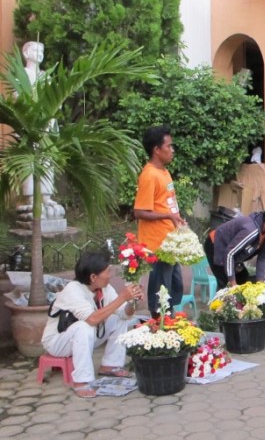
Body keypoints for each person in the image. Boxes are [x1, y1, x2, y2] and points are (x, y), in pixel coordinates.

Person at [41, 252, 143, 398]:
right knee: (84, 327)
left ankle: (110, 365)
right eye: (107, 271)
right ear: (93, 277)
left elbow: (124, 314)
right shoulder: (73, 290)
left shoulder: (105, 288)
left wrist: (133, 301)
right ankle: (81, 381)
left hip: (88, 335)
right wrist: (122, 297)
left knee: (119, 319)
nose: (110, 275)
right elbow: (92, 319)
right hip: (58, 342)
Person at [134, 125, 186, 317]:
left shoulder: (164, 172)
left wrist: (177, 220)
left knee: (174, 289)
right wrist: (168, 216)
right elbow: (139, 211)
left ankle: (169, 321)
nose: (172, 150)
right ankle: (159, 324)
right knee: (161, 294)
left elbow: (166, 204)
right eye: (168, 146)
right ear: (156, 149)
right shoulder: (149, 175)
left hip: (170, 242)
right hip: (157, 246)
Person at [204, 203, 265, 289]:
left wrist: (261, 284)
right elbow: (229, 254)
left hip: (231, 250)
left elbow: (264, 257)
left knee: (243, 277)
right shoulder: (251, 230)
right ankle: (220, 297)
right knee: (226, 283)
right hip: (216, 244)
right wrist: (233, 284)